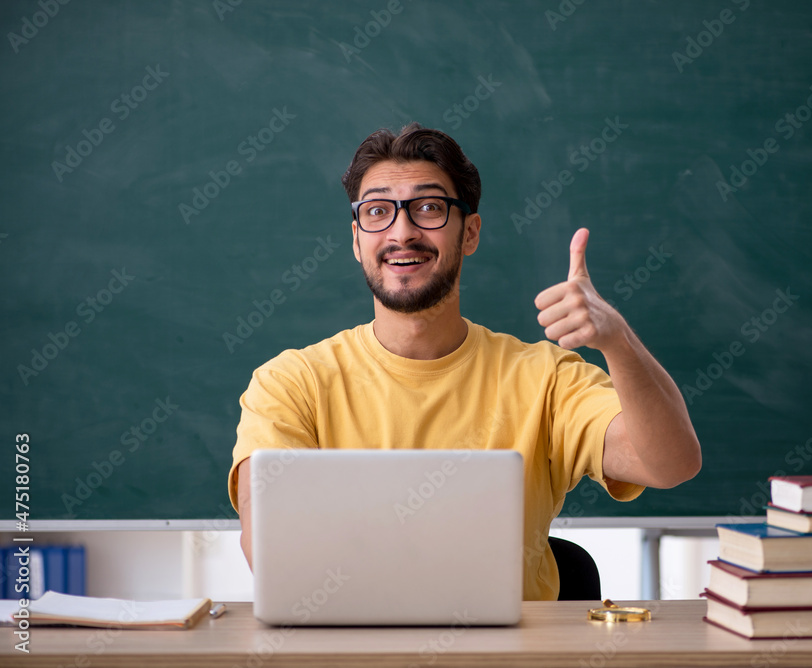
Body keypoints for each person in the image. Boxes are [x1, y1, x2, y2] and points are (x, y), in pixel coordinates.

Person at [228, 123, 701, 600]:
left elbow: (672, 465)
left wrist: (617, 340)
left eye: (428, 207)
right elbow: (270, 550)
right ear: (356, 240)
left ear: (470, 232)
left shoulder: (545, 378)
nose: (402, 232)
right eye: (377, 212)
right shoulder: (290, 384)